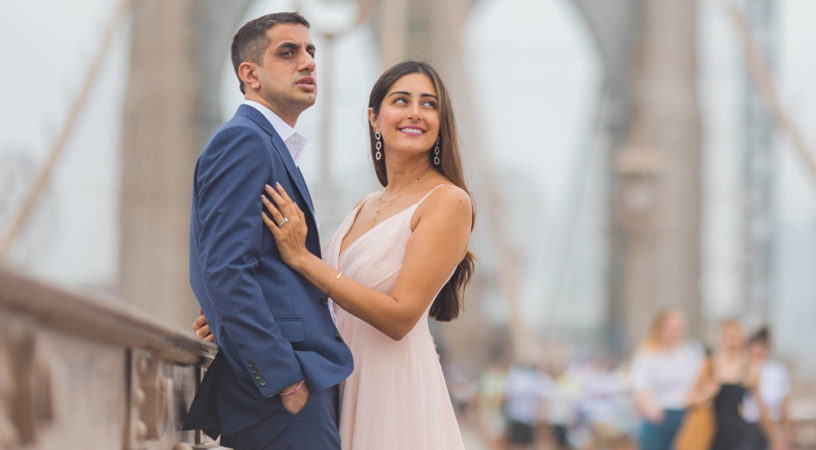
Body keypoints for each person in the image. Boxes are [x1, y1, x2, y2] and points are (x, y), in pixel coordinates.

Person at [196, 61, 475, 449]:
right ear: (374, 119)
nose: (415, 112)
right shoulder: (365, 205)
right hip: (338, 381)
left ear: (441, 122)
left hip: (391, 386)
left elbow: (399, 317)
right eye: (401, 100)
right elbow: (326, 303)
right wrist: (230, 319)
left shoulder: (448, 202)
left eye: (429, 104)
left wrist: (303, 259)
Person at [183, 12, 353, 450]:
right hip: (281, 394)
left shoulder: (269, 145)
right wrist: (284, 379)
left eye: (311, 52)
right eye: (288, 52)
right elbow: (223, 270)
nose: (309, 62)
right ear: (250, 74)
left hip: (295, 386)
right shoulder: (244, 142)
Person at [630, 309, 704, 450]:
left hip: (686, 416)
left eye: (678, 328)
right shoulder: (647, 355)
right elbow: (640, 386)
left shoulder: (690, 354)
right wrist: (653, 412)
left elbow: (699, 382)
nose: (674, 333)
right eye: (670, 328)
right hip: (659, 417)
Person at [687, 319, 765, 450]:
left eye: (736, 337)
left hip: (741, 433)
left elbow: (759, 406)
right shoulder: (711, 365)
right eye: (729, 337)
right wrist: (707, 394)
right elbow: (690, 399)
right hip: (713, 431)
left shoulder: (750, 369)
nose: (732, 342)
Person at [742, 326, 793, 450]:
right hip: (748, 427)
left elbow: (784, 405)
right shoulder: (743, 369)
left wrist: (786, 434)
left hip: (773, 424)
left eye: (762, 347)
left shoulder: (778, 371)